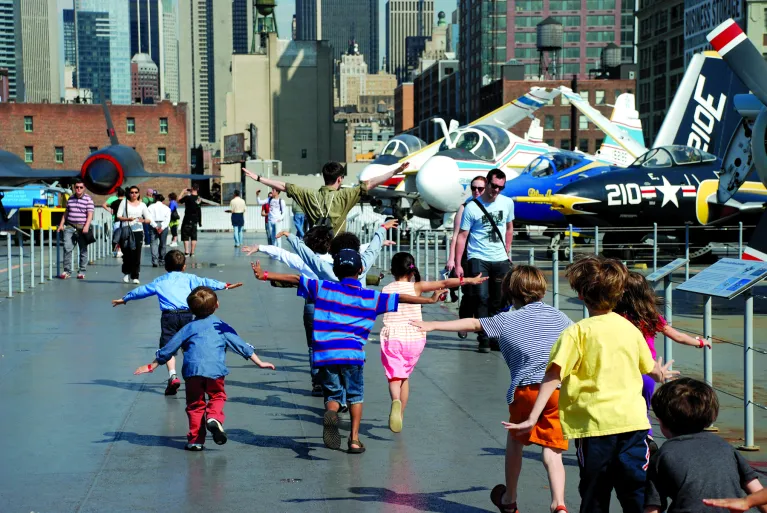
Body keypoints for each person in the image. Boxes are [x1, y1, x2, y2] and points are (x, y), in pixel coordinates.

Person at [504, 256, 677, 513]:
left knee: (595, 493)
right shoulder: (630, 329)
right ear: (619, 293)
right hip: (633, 425)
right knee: (635, 492)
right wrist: (660, 373)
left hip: (593, 428)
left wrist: (532, 416)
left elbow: (553, 376)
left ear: (582, 295)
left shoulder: (577, 332)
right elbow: (648, 366)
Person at [412, 266, 573, 513]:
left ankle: (509, 499)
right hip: (556, 392)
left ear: (509, 292)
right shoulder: (561, 318)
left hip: (526, 391)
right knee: (553, 451)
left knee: (515, 443)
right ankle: (558, 504)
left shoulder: (506, 319)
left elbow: (475, 323)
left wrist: (433, 324)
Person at [249, 252, 446, 454]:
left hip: (326, 354)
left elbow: (296, 279)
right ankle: (354, 439)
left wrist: (264, 275)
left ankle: (332, 413)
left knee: (333, 394)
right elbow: (400, 298)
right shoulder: (371, 297)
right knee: (355, 396)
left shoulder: (324, 288)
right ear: (360, 270)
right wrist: (428, 301)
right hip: (352, 354)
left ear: (335, 271)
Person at [243, 222, 395, 397]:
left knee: (315, 346)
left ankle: (320, 383)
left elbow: (294, 258)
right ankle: (348, 395)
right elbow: (370, 250)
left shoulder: (325, 268)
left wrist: (288, 239)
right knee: (351, 352)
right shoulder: (357, 267)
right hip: (349, 317)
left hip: (318, 307)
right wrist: (381, 231)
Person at [133, 286, 275, 451]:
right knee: (217, 396)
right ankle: (213, 417)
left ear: (191, 309)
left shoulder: (188, 328)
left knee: (195, 405)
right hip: (215, 371)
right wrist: (259, 362)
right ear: (217, 305)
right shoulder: (221, 326)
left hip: (192, 372)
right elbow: (240, 345)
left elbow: (169, 347)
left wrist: (152, 365)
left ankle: (195, 441)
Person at [380, 252, 487, 433]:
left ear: (392, 270)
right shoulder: (418, 286)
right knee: (404, 376)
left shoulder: (386, 289)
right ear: (412, 271)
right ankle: (401, 414)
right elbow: (444, 283)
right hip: (416, 336)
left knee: (394, 377)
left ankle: (395, 401)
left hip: (393, 337)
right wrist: (469, 280)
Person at [112, 249, 243, 394]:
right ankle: (193, 373)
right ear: (184, 266)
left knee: (169, 345)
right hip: (187, 315)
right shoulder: (190, 278)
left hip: (169, 317)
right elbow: (206, 282)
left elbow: (142, 291)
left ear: (165, 266)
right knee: (188, 344)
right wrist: (224, 285)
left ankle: (173, 375)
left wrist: (125, 298)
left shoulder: (160, 281)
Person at [645, 378, 767, 513]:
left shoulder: (663, 454)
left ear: (661, 421)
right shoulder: (725, 448)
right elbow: (757, 491)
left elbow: (653, 507)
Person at [615, 271, 712, 440]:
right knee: (643, 410)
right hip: (648, 370)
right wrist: (699, 342)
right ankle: (647, 439)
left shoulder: (616, 317)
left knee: (622, 406)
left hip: (623, 369)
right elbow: (678, 336)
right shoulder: (651, 316)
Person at [243, 161, 409, 236]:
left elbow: (283, 185)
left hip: (314, 252)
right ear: (339, 179)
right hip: (336, 252)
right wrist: (395, 171)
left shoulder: (308, 194)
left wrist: (258, 178)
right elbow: (371, 183)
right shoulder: (346, 195)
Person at [454, 169, 515, 353]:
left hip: (500, 259)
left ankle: (495, 336)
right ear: (487, 182)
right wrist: (458, 264)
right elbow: (462, 236)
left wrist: (507, 249)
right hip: (478, 258)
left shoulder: (507, 203)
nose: (497, 190)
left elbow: (510, 228)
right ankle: (484, 337)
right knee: (481, 298)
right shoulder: (472, 207)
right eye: (494, 186)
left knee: (499, 300)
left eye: (501, 188)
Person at [446, 175, 487, 336]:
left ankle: (480, 326)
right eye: (474, 188)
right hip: (466, 256)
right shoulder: (464, 207)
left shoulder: (491, 206)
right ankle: (464, 322)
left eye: (480, 188)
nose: (476, 191)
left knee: (483, 294)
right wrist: (452, 259)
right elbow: (456, 235)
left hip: (484, 255)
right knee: (469, 293)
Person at [57, 179, 94, 280]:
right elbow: (66, 213)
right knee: (67, 247)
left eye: (81, 187)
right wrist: (61, 225)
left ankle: (82, 271)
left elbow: (90, 214)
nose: (78, 189)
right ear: (74, 187)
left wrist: (86, 226)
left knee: (83, 249)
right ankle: (67, 271)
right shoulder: (70, 198)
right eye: (76, 187)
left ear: (84, 188)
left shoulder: (88, 199)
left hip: (82, 228)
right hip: (70, 226)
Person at [115, 185, 152, 284]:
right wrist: (127, 219)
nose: (134, 194)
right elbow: (118, 216)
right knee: (126, 253)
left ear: (139, 193)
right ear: (129, 193)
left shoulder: (142, 205)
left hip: (138, 231)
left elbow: (149, 219)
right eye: (132, 192)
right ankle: (126, 273)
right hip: (126, 230)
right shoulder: (124, 203)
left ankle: (135, 275)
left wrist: (143, 220)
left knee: (136, 254)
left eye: (136, 192)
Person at [148, 194, 171, 268]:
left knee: (153, 243)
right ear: (162, 200)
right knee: (163, 243)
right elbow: (168, 220)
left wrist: (155, 226)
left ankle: (155, 261)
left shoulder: (151, 207)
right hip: (163, 224)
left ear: (155, 199)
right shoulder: (167, 208)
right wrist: (162, 227)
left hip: (153, 224)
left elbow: (149, 218)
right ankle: (162, 260)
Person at [179, 184, 203, 256]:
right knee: (194, 236)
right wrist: (200, 221)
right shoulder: (199, 198)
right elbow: (199, 210)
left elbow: (179, 200)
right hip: (195, 218)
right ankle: (192, 252)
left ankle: (186, 251)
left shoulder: (188, 197)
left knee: (185, 235)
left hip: (187, 218)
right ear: (198, 189)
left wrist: (183, 192)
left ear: (192, 188)